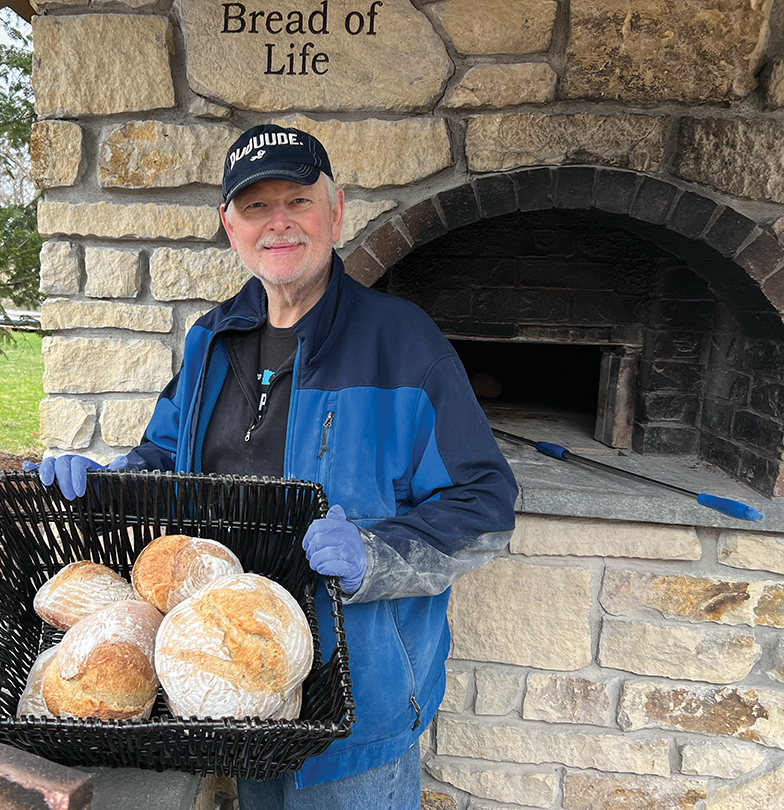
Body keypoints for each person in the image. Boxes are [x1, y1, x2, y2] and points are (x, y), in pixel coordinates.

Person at [25, 124, 518, 809]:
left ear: (336, 211)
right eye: (256, 206)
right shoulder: (212, 339)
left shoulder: (402, 344)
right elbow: (166, 460)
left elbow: (485, 505)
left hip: (359, 703)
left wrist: (377, 556)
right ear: (230, 225)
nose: (278, 223)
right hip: (239, 685)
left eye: (298, 201)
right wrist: (104, 478)